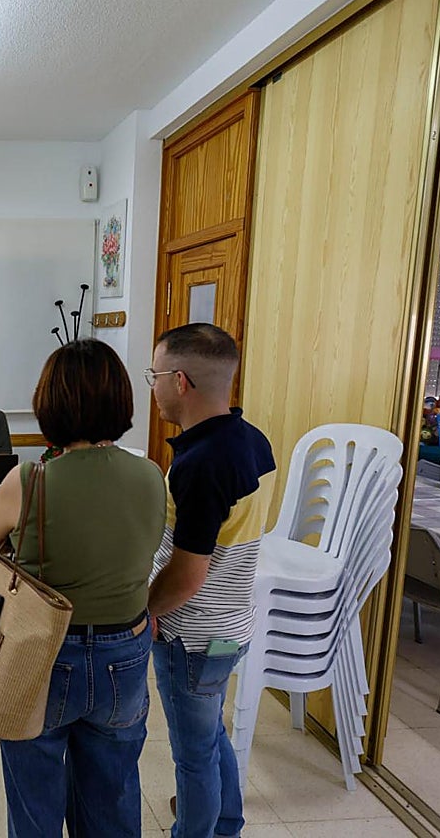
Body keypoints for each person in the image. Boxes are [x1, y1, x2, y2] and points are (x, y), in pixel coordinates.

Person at [0, 340, 167, 837]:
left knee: (34, 797)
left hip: (42, 652)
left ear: (49, 404)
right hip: (124, 651)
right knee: (113, 792)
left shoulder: (29, 479)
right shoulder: (152, 476)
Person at [145, 324, 277, 838]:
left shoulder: (201, 465)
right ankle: (227, 824)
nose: (151, 386)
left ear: (179, 381)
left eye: (154, 375)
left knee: (193, 755)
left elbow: (187, 573)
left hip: (192, 635)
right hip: (232, 625)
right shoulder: (252, 440)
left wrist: (147, 610)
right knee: (210, 734)